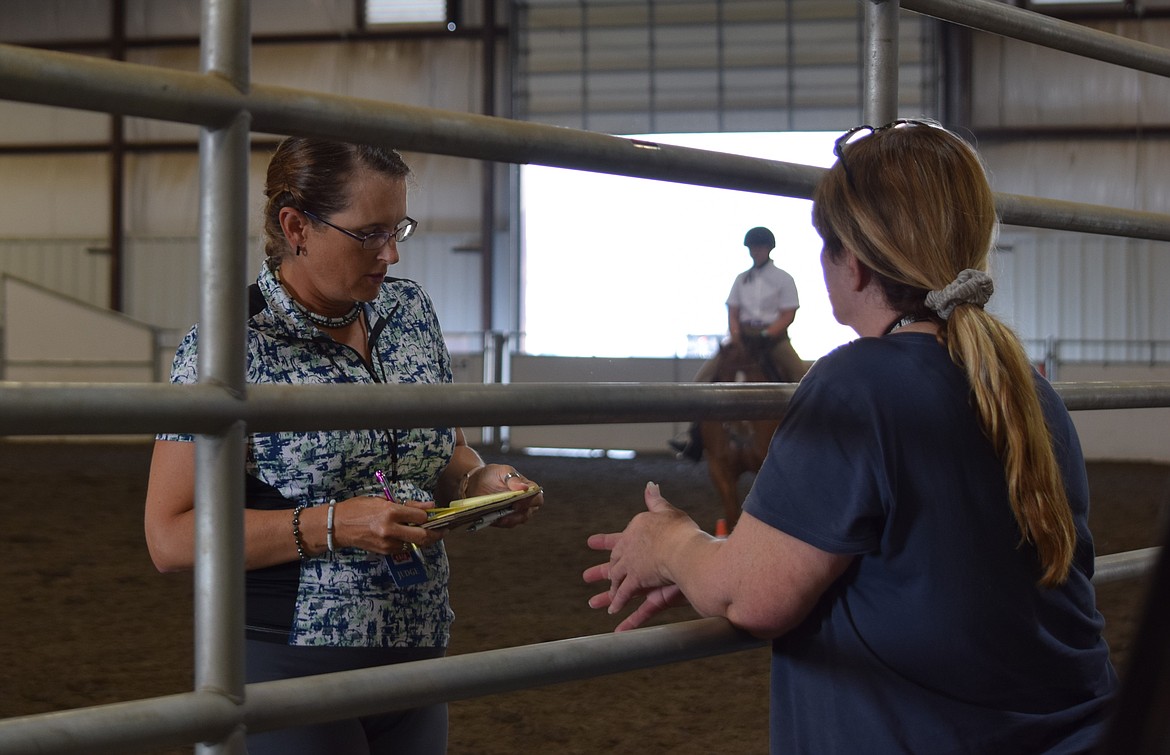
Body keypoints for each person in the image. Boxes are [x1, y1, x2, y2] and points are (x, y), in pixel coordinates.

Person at [586, 120, 1118, 753]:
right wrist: (724, 558)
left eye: (827, 246)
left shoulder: (854, 385)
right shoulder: (1029, 391)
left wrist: (672, 542)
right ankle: (694, 435)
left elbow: (751, 598)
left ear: (856, 266)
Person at [144, 137, 544, 755]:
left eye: (399, 229)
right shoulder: (227, 346)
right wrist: (334, 525)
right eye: (369, 234)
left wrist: (479, 483)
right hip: (292, 658)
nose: (391, 254)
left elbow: (444, 454)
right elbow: (169, 537)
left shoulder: (411, 313)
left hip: (419, 648)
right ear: (296, 225)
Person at [670, 225, 806, 461]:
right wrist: (736, 335)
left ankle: (809, 438)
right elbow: (732, 310)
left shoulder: (783, 278)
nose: (756, 251)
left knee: (802, 378)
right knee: (702, 378)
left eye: (759, 247)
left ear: (768, 249)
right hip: (743, 338)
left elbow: (787, 314)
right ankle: (694, 438)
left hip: (773, 340)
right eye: (753, 247)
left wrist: (765, 335)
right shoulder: (741, 279)